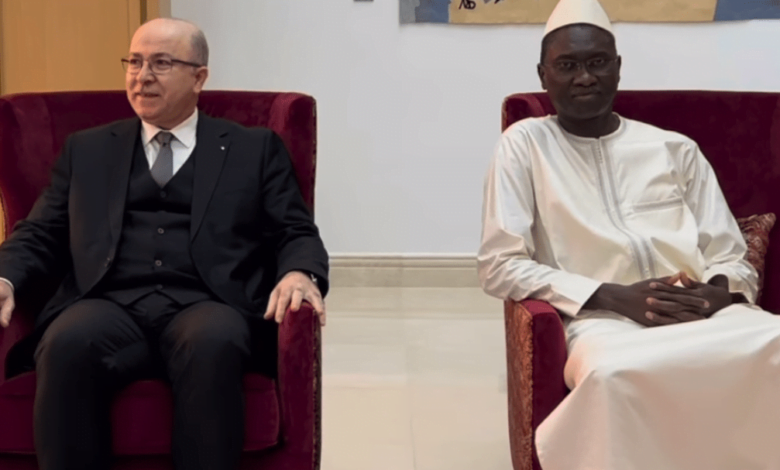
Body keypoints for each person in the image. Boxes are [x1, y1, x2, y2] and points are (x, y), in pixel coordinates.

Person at [0, 18, 328, 470]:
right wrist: (6, 276)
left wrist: (299, 272)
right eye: (134, 62)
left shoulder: (254, 149)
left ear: (199, 77)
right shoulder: (87, 150)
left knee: (213, 342)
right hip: (107, 302)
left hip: (207, 301)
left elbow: (294, 229)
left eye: (161, 63)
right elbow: (40, 231)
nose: (142, 76)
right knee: (66, 343)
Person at [478, 0, 780, 468]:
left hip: (700, 310)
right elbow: (500, 264)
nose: (585, 77)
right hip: (601, 320)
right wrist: (614, 297)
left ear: (618, 68)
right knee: (613, 375)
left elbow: (729, 253)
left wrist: (715, 293)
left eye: (598, 62)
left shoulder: (673, 148)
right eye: (568, 66)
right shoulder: (525, 145)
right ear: (543, 75)